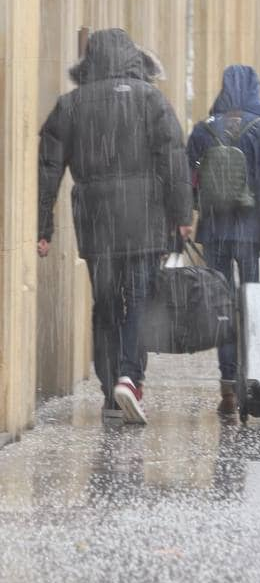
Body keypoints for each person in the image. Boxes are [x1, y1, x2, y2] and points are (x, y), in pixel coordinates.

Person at [38, 28, 193, 424]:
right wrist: (181, 216)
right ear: (133, 59)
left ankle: (110, 390)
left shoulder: (71, 105)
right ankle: (130, 375)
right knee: (139, 300)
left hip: (96, 224)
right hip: (144, 220)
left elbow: (49, 169)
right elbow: (174, 161)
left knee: (106, 303)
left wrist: (44, 225)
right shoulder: (151, 99)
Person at [187, 65, 260, 415]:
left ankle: (228, 384)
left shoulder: (204, 130)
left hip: (214, 231)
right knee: (253, 306)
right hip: (252, 233)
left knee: (222, 309)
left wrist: (186, 219)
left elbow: (189, 179)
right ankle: (252, 377)